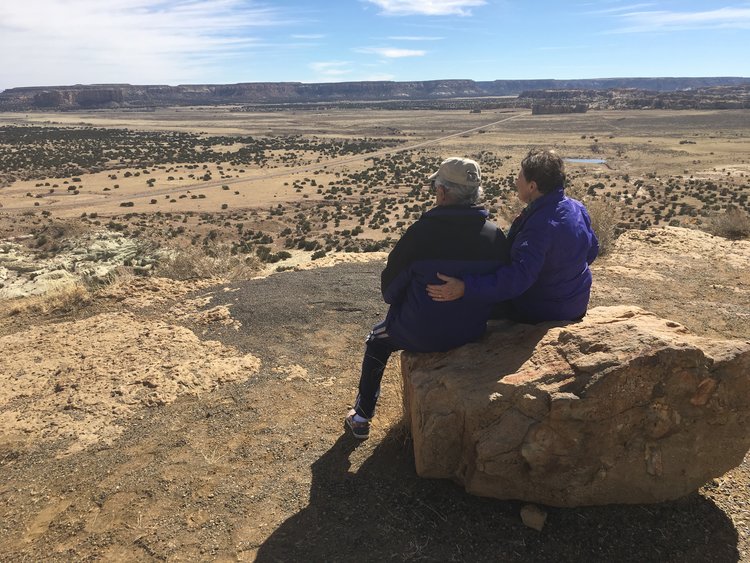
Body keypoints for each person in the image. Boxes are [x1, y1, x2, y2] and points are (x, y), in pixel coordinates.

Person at [345, 157, 509, 439]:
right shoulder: (495, 236)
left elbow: (389, 291)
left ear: (442, 193)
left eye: (436, 188)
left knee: (376, 340)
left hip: (419, 332)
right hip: (471, 331)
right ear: (476, 193)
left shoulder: (421, 235)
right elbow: (502, 287)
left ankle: (361, 417)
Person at [427, 149, 599, 323]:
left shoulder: (540, 227)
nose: (516, 181)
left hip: (545, 310)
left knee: (468, 310)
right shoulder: (576, 208)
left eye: (520, 177)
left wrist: (466, 287)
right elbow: (591, 250)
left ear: (532, 186)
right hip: (576, 302)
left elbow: (518, 278)